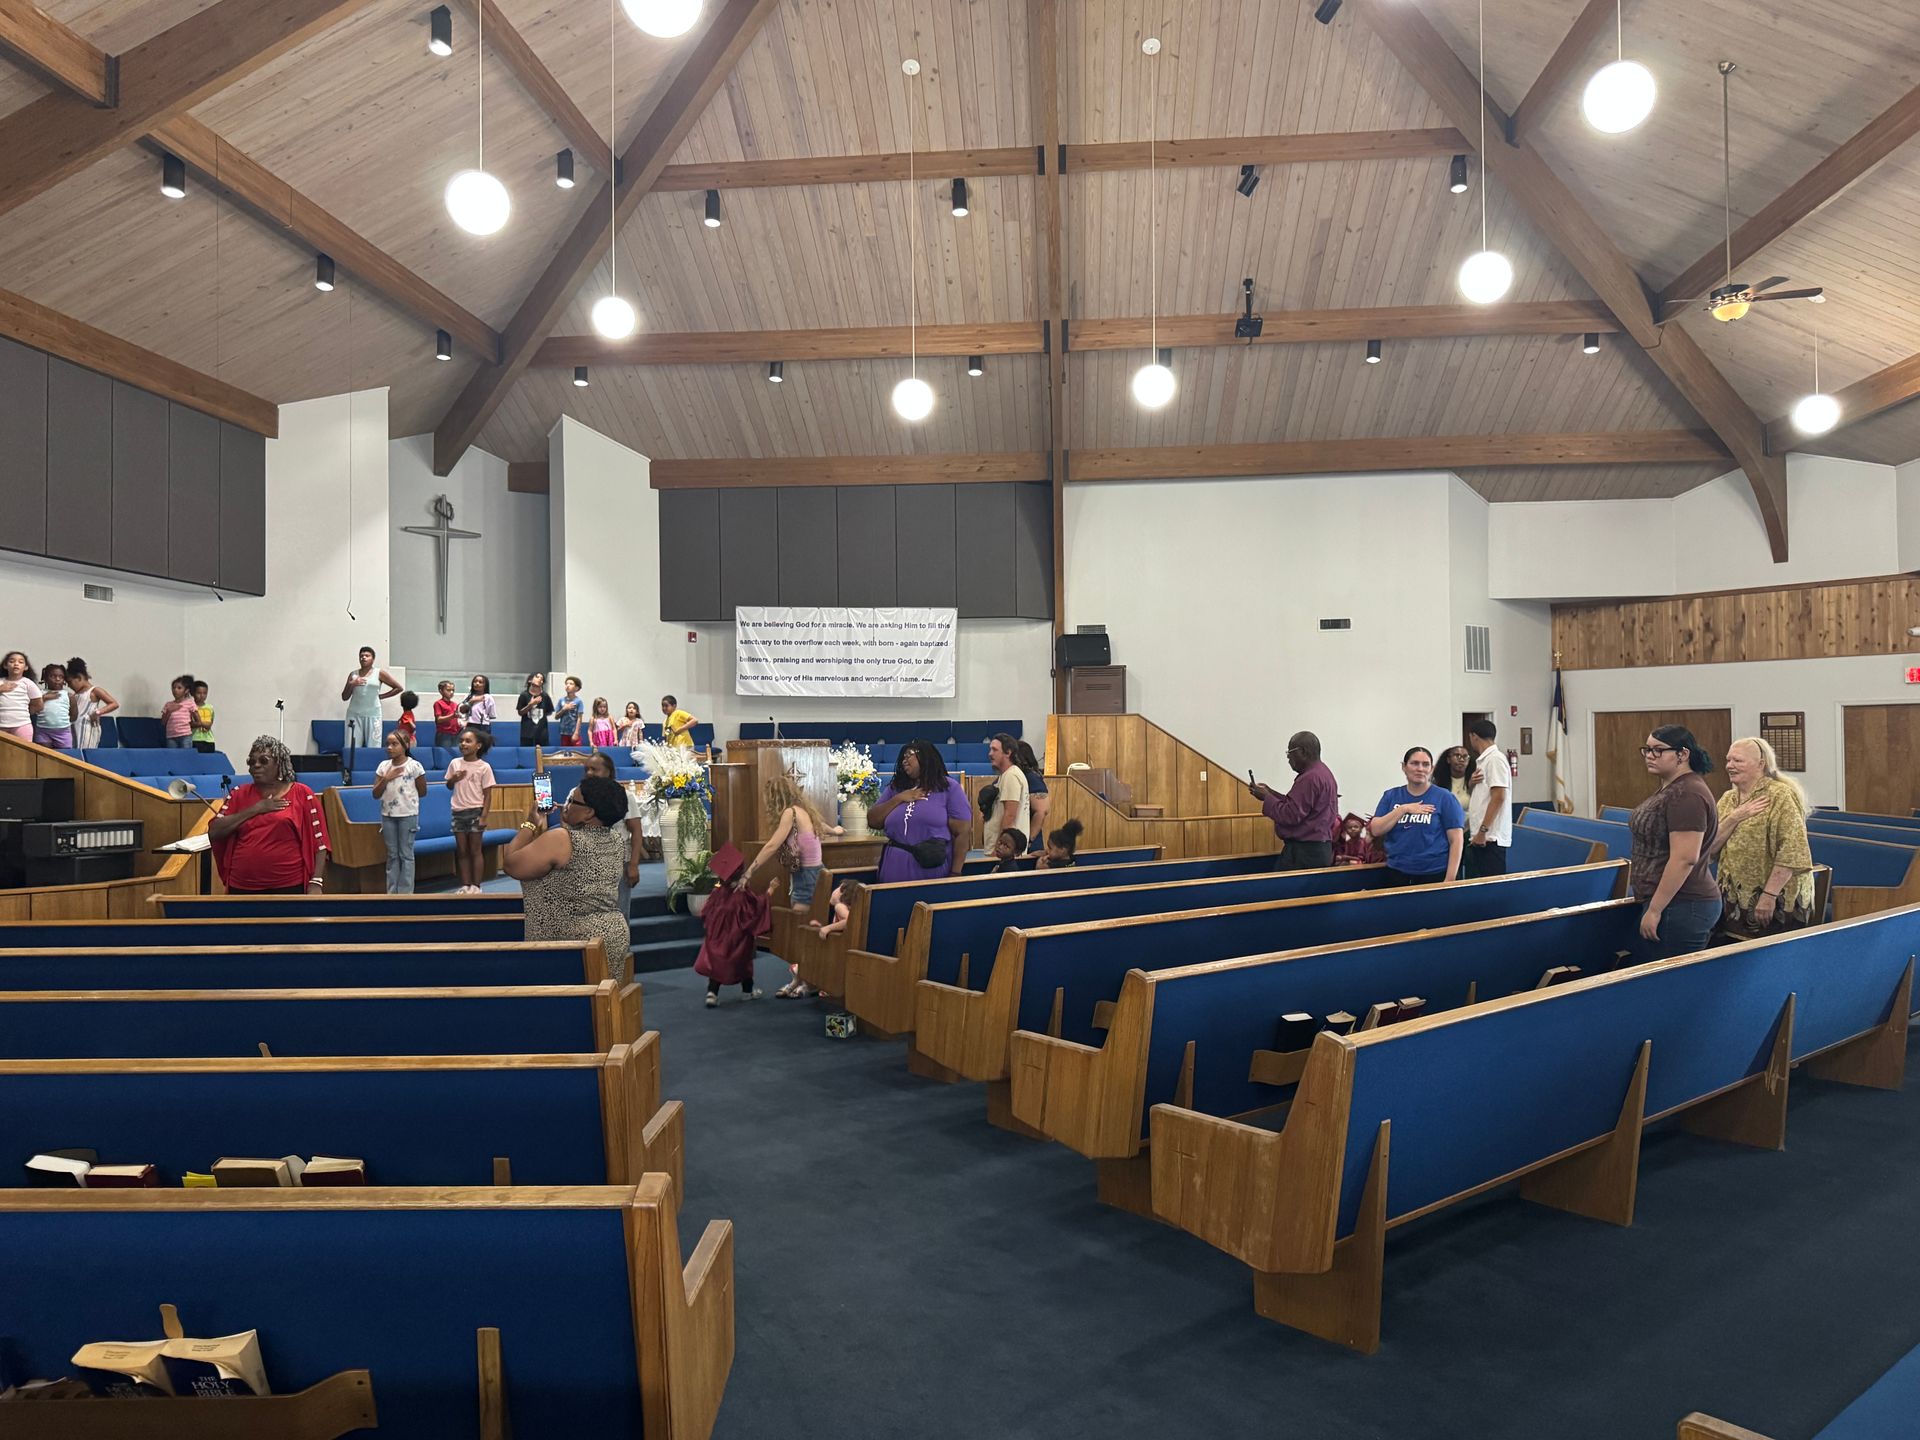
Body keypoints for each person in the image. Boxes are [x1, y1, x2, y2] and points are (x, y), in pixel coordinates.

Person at [504, 772, 634, 984]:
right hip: (611, 935)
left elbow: (511, 864)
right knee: (601, 1008)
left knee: (565, 1008)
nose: (566, 805)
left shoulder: (562, 839)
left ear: (589, 812)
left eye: (572, 801)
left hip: (569, 939)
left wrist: (530, 823)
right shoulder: (615, 839)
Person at [1626, 724, 1721, 961]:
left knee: (1674, 987)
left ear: (1683, 754)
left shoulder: (1687, 794)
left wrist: (1656, 909)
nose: (1650, 755)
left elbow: (1684, 859)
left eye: (1658, 750)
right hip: (1671, 902)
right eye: (1647, 749)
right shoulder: (1674, 788)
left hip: (1682, 904)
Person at [743, 776, 843, 996]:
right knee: (808, 930)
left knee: (801, 932)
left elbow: (772, 845)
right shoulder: (803, 810)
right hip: (816, 873)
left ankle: (806, 980)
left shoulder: (790, 813)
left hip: (806, 878)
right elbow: (823, 827)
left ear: (775, 797)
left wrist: (749, 871)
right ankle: (803, 979)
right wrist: (835, 830)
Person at [1707, 736, 1815, 940]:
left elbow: (1792, 850)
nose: (1730, 765)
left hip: (1776, 900)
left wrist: (1769, 895)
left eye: (1737, 760)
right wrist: (1734, 817)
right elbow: (1711, 848)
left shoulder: (1780, 795)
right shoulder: (1728, 799)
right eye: (1728, 760)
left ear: (1761, 763)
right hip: (1733, 899)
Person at [209, 736, 331, 895]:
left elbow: (320, 843)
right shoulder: (239, 794)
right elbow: (214, 831)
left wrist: (316, 882)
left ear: (279, 764)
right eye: (251, 762)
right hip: (241, 886)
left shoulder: (302, 794)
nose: (256, 766)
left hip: (288, 885)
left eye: (263, 760)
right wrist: (255, 809)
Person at [869, 740, 973, 881]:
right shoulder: (896, 788)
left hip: (930, 869)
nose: (904, 761)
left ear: (925, 757)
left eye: (909, 755)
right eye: (903, 758)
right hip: (894, 865)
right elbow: (873, 820)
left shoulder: (948, 788)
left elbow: (962, 833)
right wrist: (899, 798)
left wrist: (955, 873)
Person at [1368, 747, 1465, 885]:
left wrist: (1449, 879)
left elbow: (1456, 840)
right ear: (1404, 767)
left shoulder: (1445, 798)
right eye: (1414, 763)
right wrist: (1404, 809)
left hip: (1434, 873)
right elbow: (1376, 829)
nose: (1420, 768)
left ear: (1432, 768)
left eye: (1425, 764)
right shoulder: (1391, 796)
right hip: (1397, 872)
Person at [1251, 731, 1340, 871]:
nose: (1288, 759)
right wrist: (1270, 792)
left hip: (1305, 852)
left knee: (1284, 891)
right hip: (1318, 849)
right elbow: (1297, 805)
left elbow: (1291, 815)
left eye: (1289, 753)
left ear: (1302, 752)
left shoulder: (1309, 778)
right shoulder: (1323, 773)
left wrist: (1266, 798)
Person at [695, 843, 768, 1006]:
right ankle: (747, 992)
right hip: (738, 941)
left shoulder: (716, 893)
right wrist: (770, 892)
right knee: (744, 965)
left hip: (717, 940)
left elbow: (705, 913)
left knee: (716, 966)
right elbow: (755, 910)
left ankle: (712, 993)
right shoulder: (742, 895)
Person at [576, 751, 643, 919]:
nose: (589, 773)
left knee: (619, 912)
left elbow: (636, 831)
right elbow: (567, 823)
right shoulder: (577, 794)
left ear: (609, 772)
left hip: (620, 862)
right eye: (587, 769)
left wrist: (633, 865)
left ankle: (621, 945)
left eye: (594, 769)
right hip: (586, 862)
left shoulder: (625, 796)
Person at [371, 730, 427, 894]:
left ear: (406, 745)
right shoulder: (383, 766)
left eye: (394, 744)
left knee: (406, 854)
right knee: (392, 855)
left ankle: (406, 893)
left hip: (408, 815)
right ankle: (392, 892)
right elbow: (375, 794)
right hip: (388, 815)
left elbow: (423, 791)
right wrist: (386, 778)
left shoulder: (414, 766)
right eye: (387, 744)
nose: (389, 747)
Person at [444, 727, 496, 895]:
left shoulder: (484, 767)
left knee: (475, 850)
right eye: (461, 741)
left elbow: (488, 795)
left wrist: (484, 816)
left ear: (478, 745)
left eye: (468, 741)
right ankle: (465, 885)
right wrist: (454, 778)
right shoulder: (455, 763)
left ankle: (477, 886)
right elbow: (449, 785)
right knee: (462, 850)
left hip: (475, 811)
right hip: (458, 810)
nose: (463, 744)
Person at [1463, 720, 1512, 880]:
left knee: (1492, 886)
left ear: (1474, 736)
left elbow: (1499, 797)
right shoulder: (1484, 760)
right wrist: (1471, 783)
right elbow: (1482, 796)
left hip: (1491, 838)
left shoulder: (1495, 759)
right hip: (1483, 836)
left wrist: (1482, 831)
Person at [342, 646, 401, 753]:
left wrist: (382, 696)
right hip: (354, 714)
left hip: (373, 714)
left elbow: (398, 688)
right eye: (361, 656)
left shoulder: (379, 673)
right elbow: (344, 697)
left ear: (373, 659)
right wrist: (352, 684)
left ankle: (373, 768)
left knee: (373, 746)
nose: (363, 658)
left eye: (367, 656)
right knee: (351, 746)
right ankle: (351, 769)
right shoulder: (353, 674)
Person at [982, 733, 1031, 855]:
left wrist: (998, 849)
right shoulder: (1006, 775)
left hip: (1004, 853)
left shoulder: (1011, 776)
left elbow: (1009, 816)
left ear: (1008, 752)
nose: (990, 754)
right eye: (990, 749)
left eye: (994, 750)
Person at [66, 659, 119, 751]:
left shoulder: (94, 691)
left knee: (85, 752)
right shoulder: (75, 695)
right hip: (75, 727)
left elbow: (114, 703)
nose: (69, 686)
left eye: (70, 682)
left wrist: (98, 712)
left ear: (79, 677)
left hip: (87, 727)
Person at [1011, 740, 1050, 853]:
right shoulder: (1013, 776)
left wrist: (1029, 841)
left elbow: (1041, 811)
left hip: (1027, 845)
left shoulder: (1031, 778)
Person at [0, 652, 43, 743]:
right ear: (5, 665)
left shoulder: (28, 683)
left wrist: (26, 712)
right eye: (12, 661)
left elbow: (38, 704)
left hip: (22, 725)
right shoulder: (1, 682)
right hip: (1, 725)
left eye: (20, 662)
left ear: (26, 667)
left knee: (24, 754)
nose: (16, 664)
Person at [33, 662, 71, 749]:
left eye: (61, 677)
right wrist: (44, 698)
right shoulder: (39, 694)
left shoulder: (69, 695)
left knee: (65, 758)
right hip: (43, 731)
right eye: (53, 676)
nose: (57, 679)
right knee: (44, 756)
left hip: (63, 732)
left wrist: (61, 722)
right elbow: (32, 708)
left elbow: (73, 715)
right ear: (45, 678)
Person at [516, 673, 552, 747]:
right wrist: (531, 705)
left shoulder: (545, 696)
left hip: (542, 734)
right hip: (527, 733)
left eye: (542, 679)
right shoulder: (524, 695)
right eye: (537, 677)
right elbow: (520, 712)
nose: (540, 679)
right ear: (530, 680)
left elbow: (549, 711)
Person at [160, 674, 195, 749]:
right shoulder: (168, 704)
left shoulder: (190, 703)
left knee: (185, 756)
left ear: (186, 690)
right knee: (172, 757)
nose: (175, 690)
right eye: (173, 688)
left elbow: (196, 718)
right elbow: (163, 722)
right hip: (171, 736)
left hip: (185, 735)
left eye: (179, 688)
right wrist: (169, 711)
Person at [555, 676, 585, 746]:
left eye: (571, 684)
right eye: (566, 684)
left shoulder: (578, 701)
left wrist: (576, 733)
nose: (568, 685)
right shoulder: (561, 700)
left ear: (576, 688)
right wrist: (564, 709)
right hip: (564, 732)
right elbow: (556, 717)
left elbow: (579, 718)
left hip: (574, 732)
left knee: (576, 753)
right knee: (565, 753)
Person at [189, 679, 216, 754]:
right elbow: (189, 724)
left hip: (209, 740)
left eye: (205, 693)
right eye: (199, 693)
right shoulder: (190, 707)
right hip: (195, 739)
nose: (202, 696)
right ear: (192, 693)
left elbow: (209, 724)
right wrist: (202, 724)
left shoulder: (210, 707)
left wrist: (199, 723)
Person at [433, 680, 463, 745]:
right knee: (444, 753)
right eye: (448, 690)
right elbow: (438, 720)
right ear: (441, 691)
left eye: (453, 690)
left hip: (456, 733)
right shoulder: (438, 703)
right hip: (444, 734)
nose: (451, 692)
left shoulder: (455, 704)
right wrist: (452, 716)